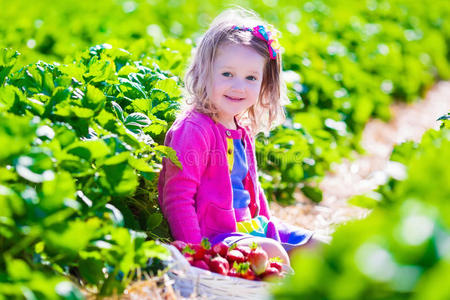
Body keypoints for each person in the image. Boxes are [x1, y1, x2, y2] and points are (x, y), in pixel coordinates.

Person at [158, 7, 313, 265]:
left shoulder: (240, 128)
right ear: (205, 71)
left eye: (251, 77)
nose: (238, 86)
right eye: (227, 74)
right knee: (271, 253)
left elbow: (253, 189)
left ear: (264, 83)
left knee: (319, 247)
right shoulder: (194, 129)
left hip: (251, 229)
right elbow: (178, 197)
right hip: (216, 238)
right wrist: (197, 253)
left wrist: (269, 224)